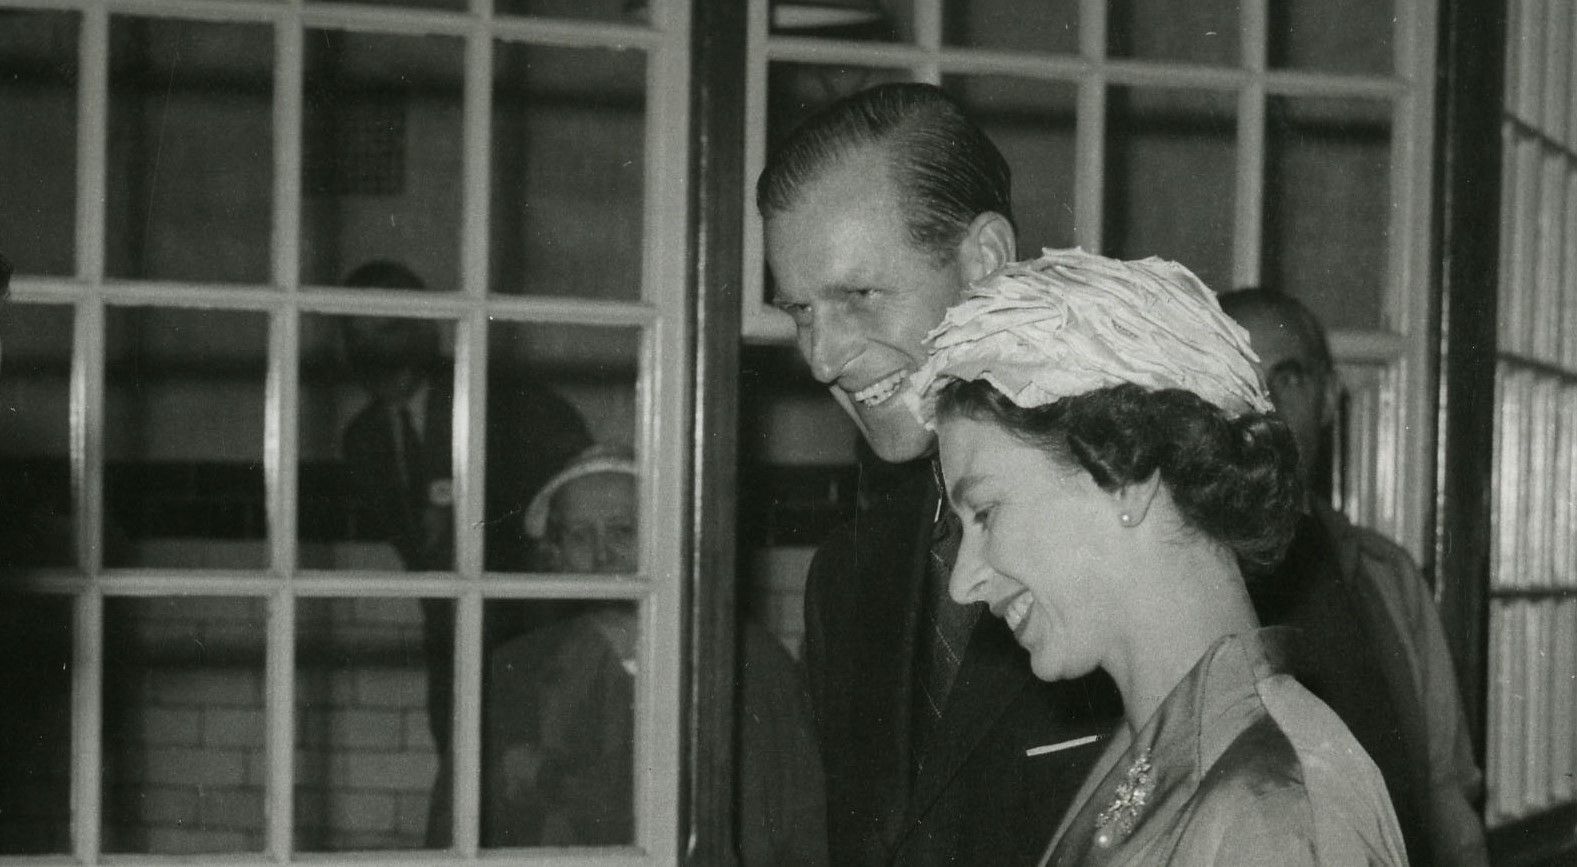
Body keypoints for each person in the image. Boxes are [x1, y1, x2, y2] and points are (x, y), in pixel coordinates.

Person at [910, 248, 1406, 864]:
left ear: (1127, 474)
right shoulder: (1151, 752)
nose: (964, 582)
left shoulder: (1274, 803)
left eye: (984, 513)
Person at [758, 82, 1121, 865]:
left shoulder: (1161, 520)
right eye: (799, 312)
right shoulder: (845, 580)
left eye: (857, 294)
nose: (822, 359)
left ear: (985, 260)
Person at [1221, 287, 1489, 865]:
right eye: (1237, 381)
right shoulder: (1180, 577)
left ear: (1327, 397)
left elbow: (1446, 793)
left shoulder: (1386, 577)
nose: (1261, 408)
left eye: (1285, 379)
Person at [336, 260, 591, 846]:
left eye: (389, 330)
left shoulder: (505, 404)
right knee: (465, 806)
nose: (374, 353)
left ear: (428, 331)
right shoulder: (363, 442)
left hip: (538, 653)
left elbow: (574, 509)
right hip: (451, 656)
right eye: (357, 336)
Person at [482, 447, 829, 863]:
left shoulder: (748, 658)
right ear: (554, 556)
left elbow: (808, 827)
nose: (601, 555)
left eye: (623, 530)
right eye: (578, 535)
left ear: (667, 537)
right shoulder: (517, 669)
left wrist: (546, 777)